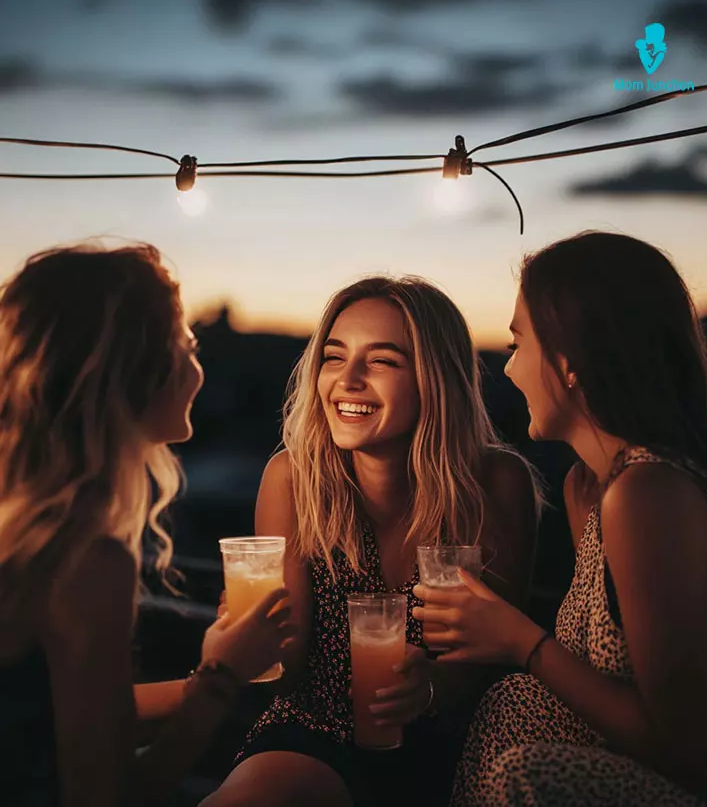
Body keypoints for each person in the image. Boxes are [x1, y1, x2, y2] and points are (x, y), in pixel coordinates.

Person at [201, 275, 543, 807]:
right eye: (334, 358)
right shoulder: (293, 479)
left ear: (435, 378)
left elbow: (493, 658)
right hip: (314, 731)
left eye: (381, 361)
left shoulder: (496, 482)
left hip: (451, 745)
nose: (348, 379)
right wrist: (251, 646)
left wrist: (428, 688)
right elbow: (286, 674)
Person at [413, 231, 707, 805]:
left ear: (567, 361)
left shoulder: (649, 495)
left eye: (516, 344)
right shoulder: (589, 489)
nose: (507, 371)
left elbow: (689, 750)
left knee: (526, 764)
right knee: (517, 704)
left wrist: (519, 640)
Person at [0, 244, 295, 807]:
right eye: (187, 346)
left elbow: (75, 706)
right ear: (133, 368)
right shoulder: (89, 559)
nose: (198, 367)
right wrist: (221, 681)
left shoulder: (29, 527)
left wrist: (217, 664)